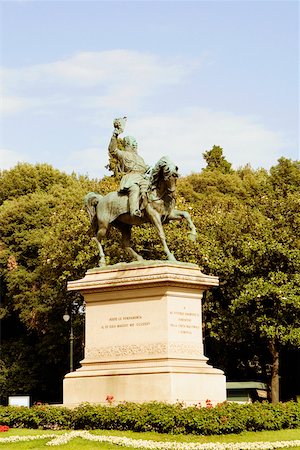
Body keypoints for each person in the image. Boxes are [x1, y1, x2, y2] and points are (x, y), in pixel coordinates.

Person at [108, 117, 150, 217]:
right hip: (131, 179)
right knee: (135, 189)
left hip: (143, 179)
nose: (136, 145)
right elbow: (112, 150)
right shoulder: (123, 154)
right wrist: (115, 134)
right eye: (133, 143)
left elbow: (145, 170)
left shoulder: (140, 158)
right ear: (128, 144)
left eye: (136, 143)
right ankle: (134, 210)